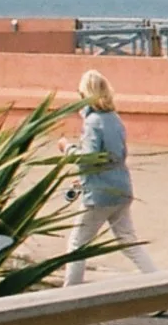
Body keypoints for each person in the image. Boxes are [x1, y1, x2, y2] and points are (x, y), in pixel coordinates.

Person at [64, 69, 158, 285]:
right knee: (128, 241)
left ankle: (69, 294)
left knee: (77, 245)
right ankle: (158, 283)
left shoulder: (93, 121)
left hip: (99, 194)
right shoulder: (114, 119)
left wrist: (67, 149)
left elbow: (89, 157)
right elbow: (118, 154)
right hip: (121, 188)